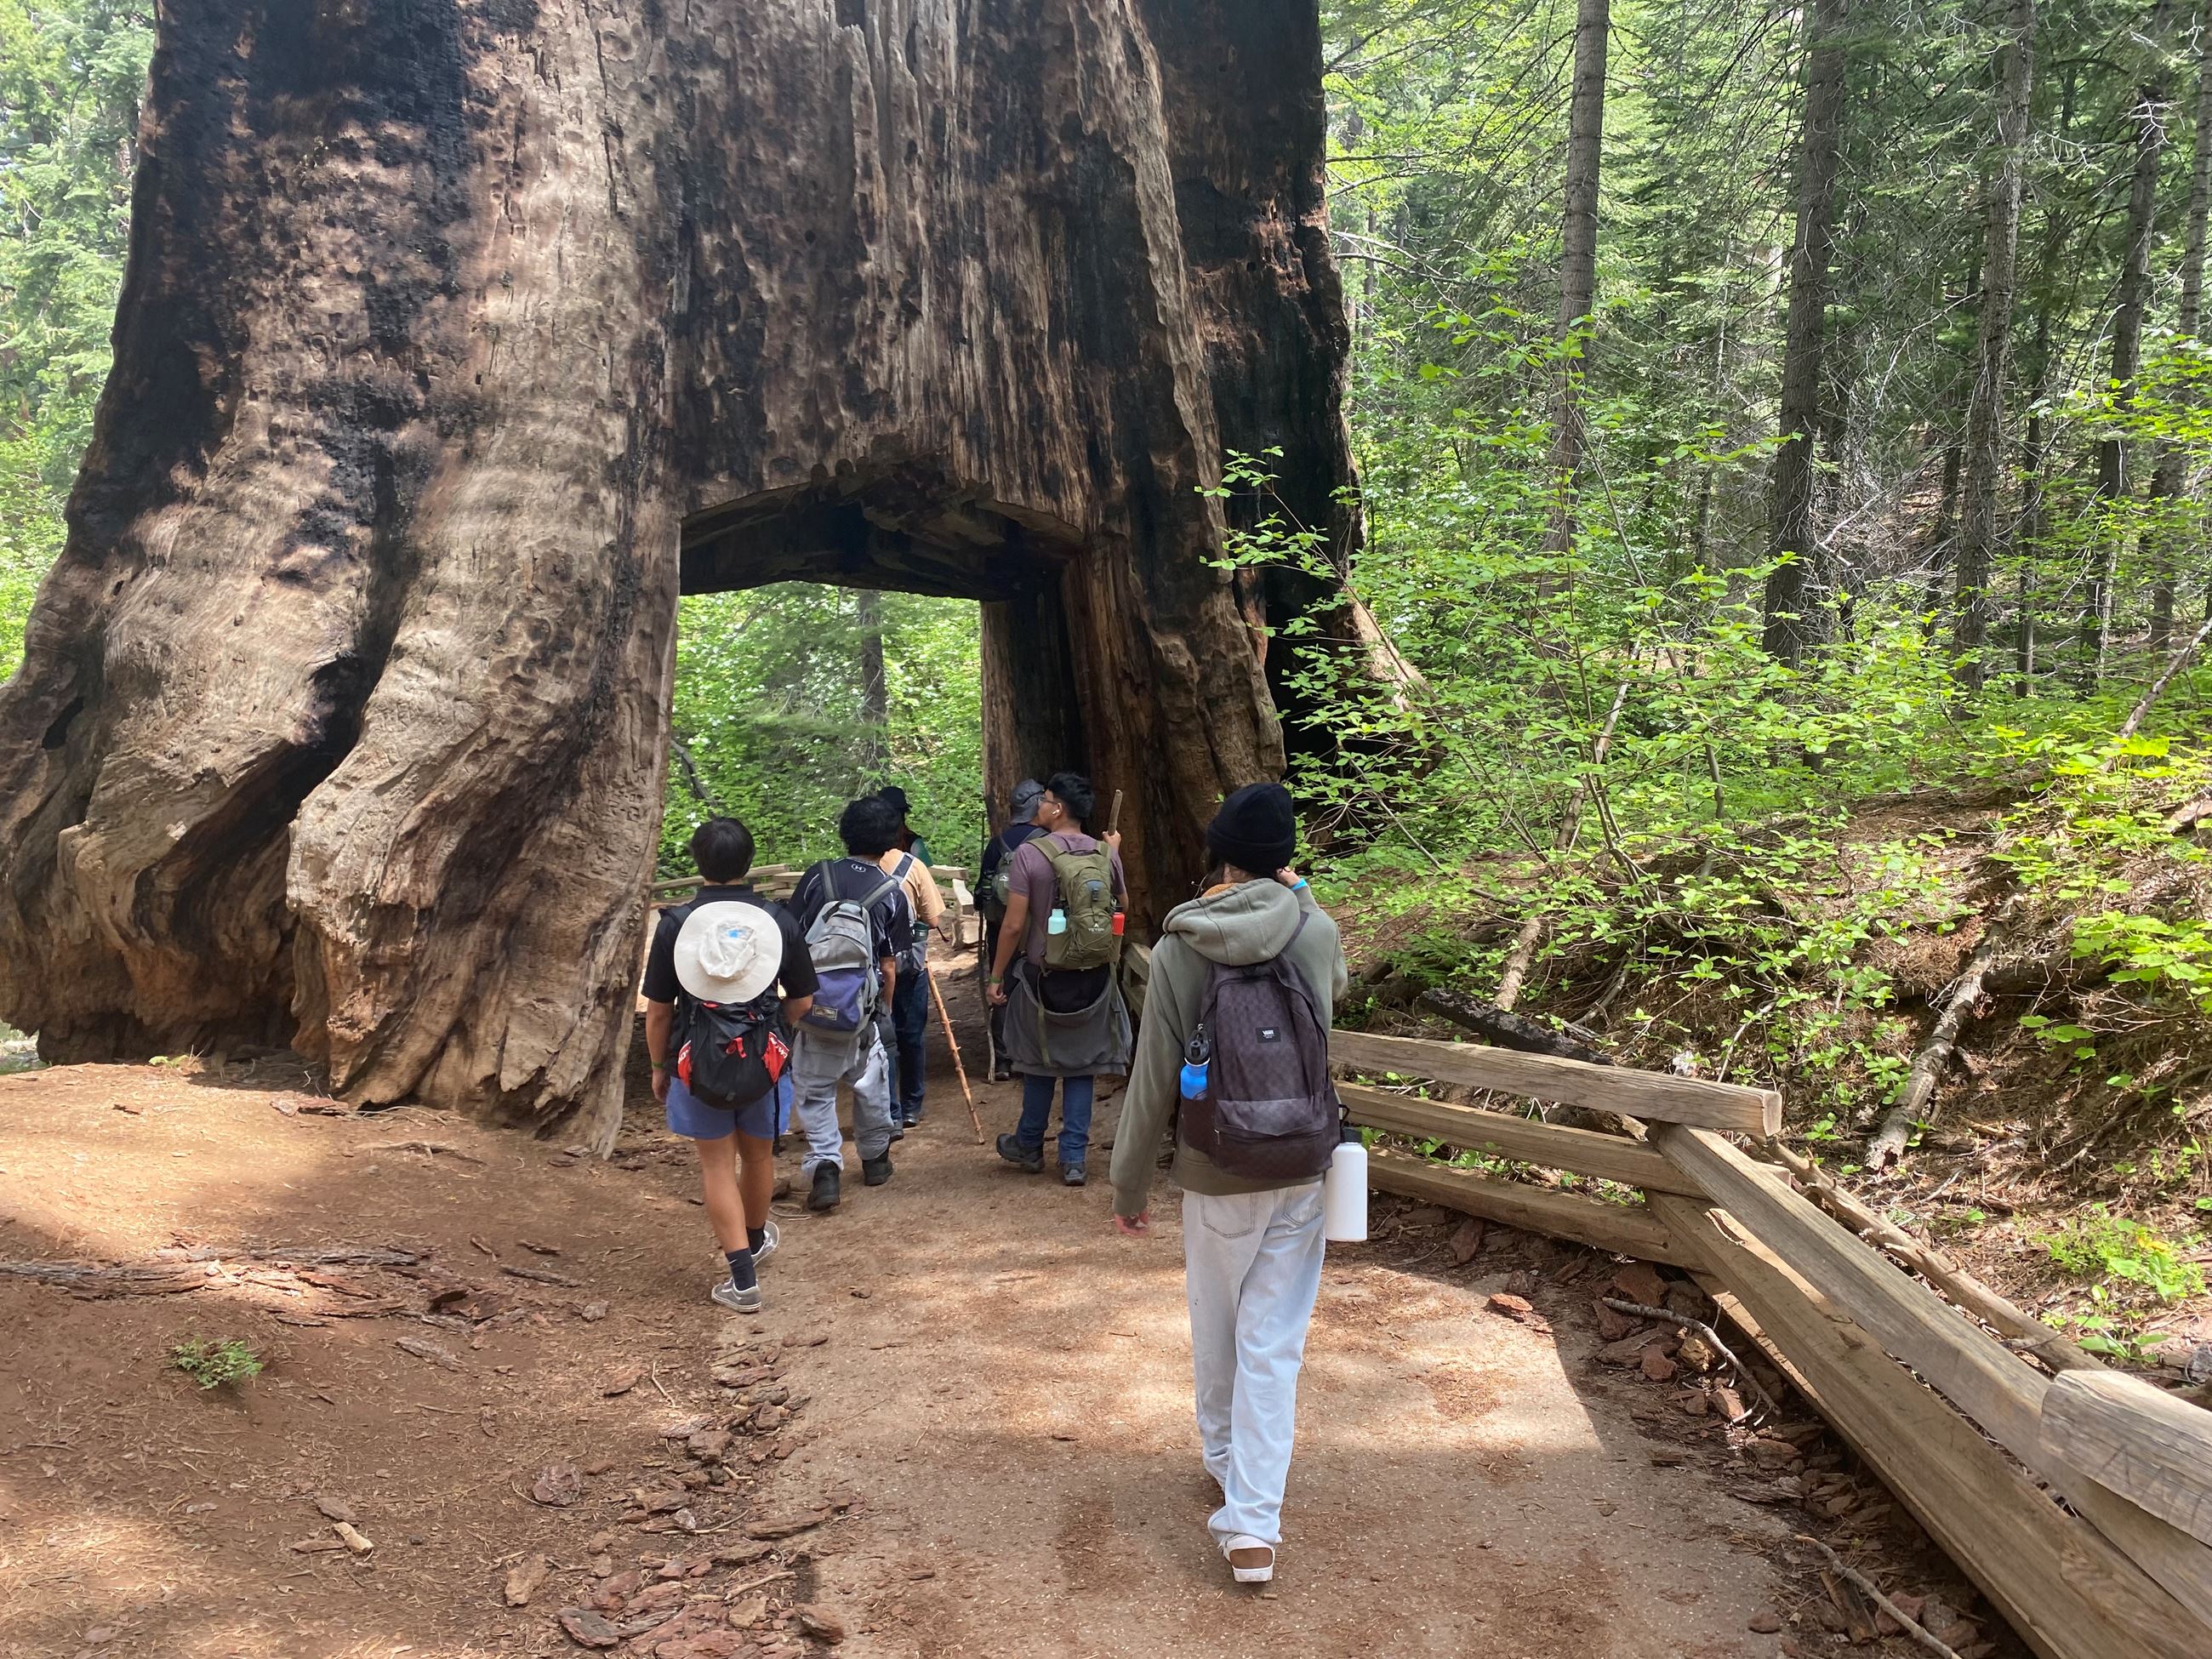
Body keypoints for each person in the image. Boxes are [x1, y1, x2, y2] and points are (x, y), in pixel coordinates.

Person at [1108, 782, 1347, 1587]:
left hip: (1216, 1167)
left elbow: (1153, 1081)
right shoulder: (1315, 931)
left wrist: (1129, 1185)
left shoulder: (1182, 945)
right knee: (1273, 1344)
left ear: (1220, 853)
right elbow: (1335, 994)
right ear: (1286, 859)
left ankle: (1223, 1458)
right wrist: (1301, 898)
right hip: (1302, 1161)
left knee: (1217, 1322)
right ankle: (1252, 1527)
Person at [641, 818, 818, 1314]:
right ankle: (756, 1240)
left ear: (699, 862)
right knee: (759, 1157)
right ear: (749, 860)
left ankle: (742, 1281)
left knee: (716, 1164)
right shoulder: (779, 919)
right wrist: (772, 1031)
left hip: (696, 1060)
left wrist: (659, 1065)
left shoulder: (675, 925)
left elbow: (658, 1010)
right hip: (764, 1059)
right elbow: (803, 1000)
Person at [986, 771, 1130, 1186]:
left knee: (1038, 1062)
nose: (1040, 806)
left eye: (1046, 800)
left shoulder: (1031, 855)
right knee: (1082, 1066)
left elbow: (1012, 926)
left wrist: (997, 977)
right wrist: (1113, 854)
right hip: (1094, 977)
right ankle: (1073, 1158)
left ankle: (1029, 1145)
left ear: (1058, 808)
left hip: (1043, 975)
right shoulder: (1105, 853)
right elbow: (1123, 906)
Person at [787, 795, 914, 1212]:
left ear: (845, 833)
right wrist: (884, 1009)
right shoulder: (891, 893)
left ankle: (825, 1165)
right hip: (862, 1013)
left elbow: (792, 939)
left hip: (814, 1008)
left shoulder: (815, 877)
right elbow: (890, 965)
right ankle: (875, 1160)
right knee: (871, 1085)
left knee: (814, 1091)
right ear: (890, 841)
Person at [875, 788, 956, 1128]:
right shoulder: (915, 856)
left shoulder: (856, 864)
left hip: (873, 963)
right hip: (909, 958)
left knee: (880, 1035)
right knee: (910, 1032)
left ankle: (887, 1108)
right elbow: (934, 918)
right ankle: (911, 1104)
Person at [977, 778, 1046, 1082]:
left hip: (1001, 927)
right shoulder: (1047, 842)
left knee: (1002, 986)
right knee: (1039, 984)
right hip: (1040, 928)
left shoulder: (998, 843)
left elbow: (981, 893)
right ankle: (1033, 1054)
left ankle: (1004, 1060)